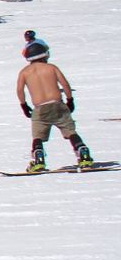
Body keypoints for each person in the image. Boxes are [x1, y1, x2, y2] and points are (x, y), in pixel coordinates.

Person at [16, 36, 93, 172]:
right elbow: (65, 84)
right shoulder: (51, 68)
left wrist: (24, 105)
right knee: (70, 132)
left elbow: (20, 90)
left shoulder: (24, 72)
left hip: (40, 109)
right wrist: (70, 100)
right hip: (58, 105)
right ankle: (83, 153)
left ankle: (38, 160)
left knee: (38, 136)